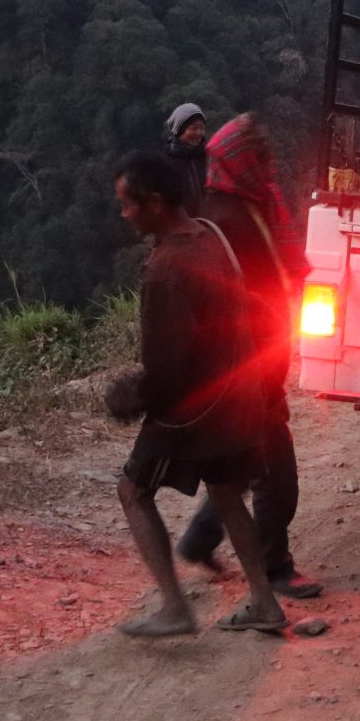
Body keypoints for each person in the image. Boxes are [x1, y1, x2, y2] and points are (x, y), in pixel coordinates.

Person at [105, 153, 285, 637]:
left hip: (195, 412)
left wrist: (132, 397)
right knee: (227, 497)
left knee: (133, 491)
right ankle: (264, 603)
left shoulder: (165, 269)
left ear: (156, 204)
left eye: (128, 204)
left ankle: (174, 608)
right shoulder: (211, 234)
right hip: (237, 396)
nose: (124, 214)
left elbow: (166, 371)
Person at [173, 116, 322, 599]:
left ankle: (199, 540)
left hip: (247, 367)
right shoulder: (233, 221)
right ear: (240, 163)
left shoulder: (239, 206)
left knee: (244, 461)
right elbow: (245, 304)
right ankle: (275, 567)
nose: (269, 165)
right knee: (278, 476)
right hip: (248, 368)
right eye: (260, 157)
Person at [163, 103, 209, 214]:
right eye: (193, 128)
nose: (199, 133)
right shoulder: (166, 163)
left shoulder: (209, 157)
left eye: (202, 128)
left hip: (213, 224)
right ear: (179, 130)